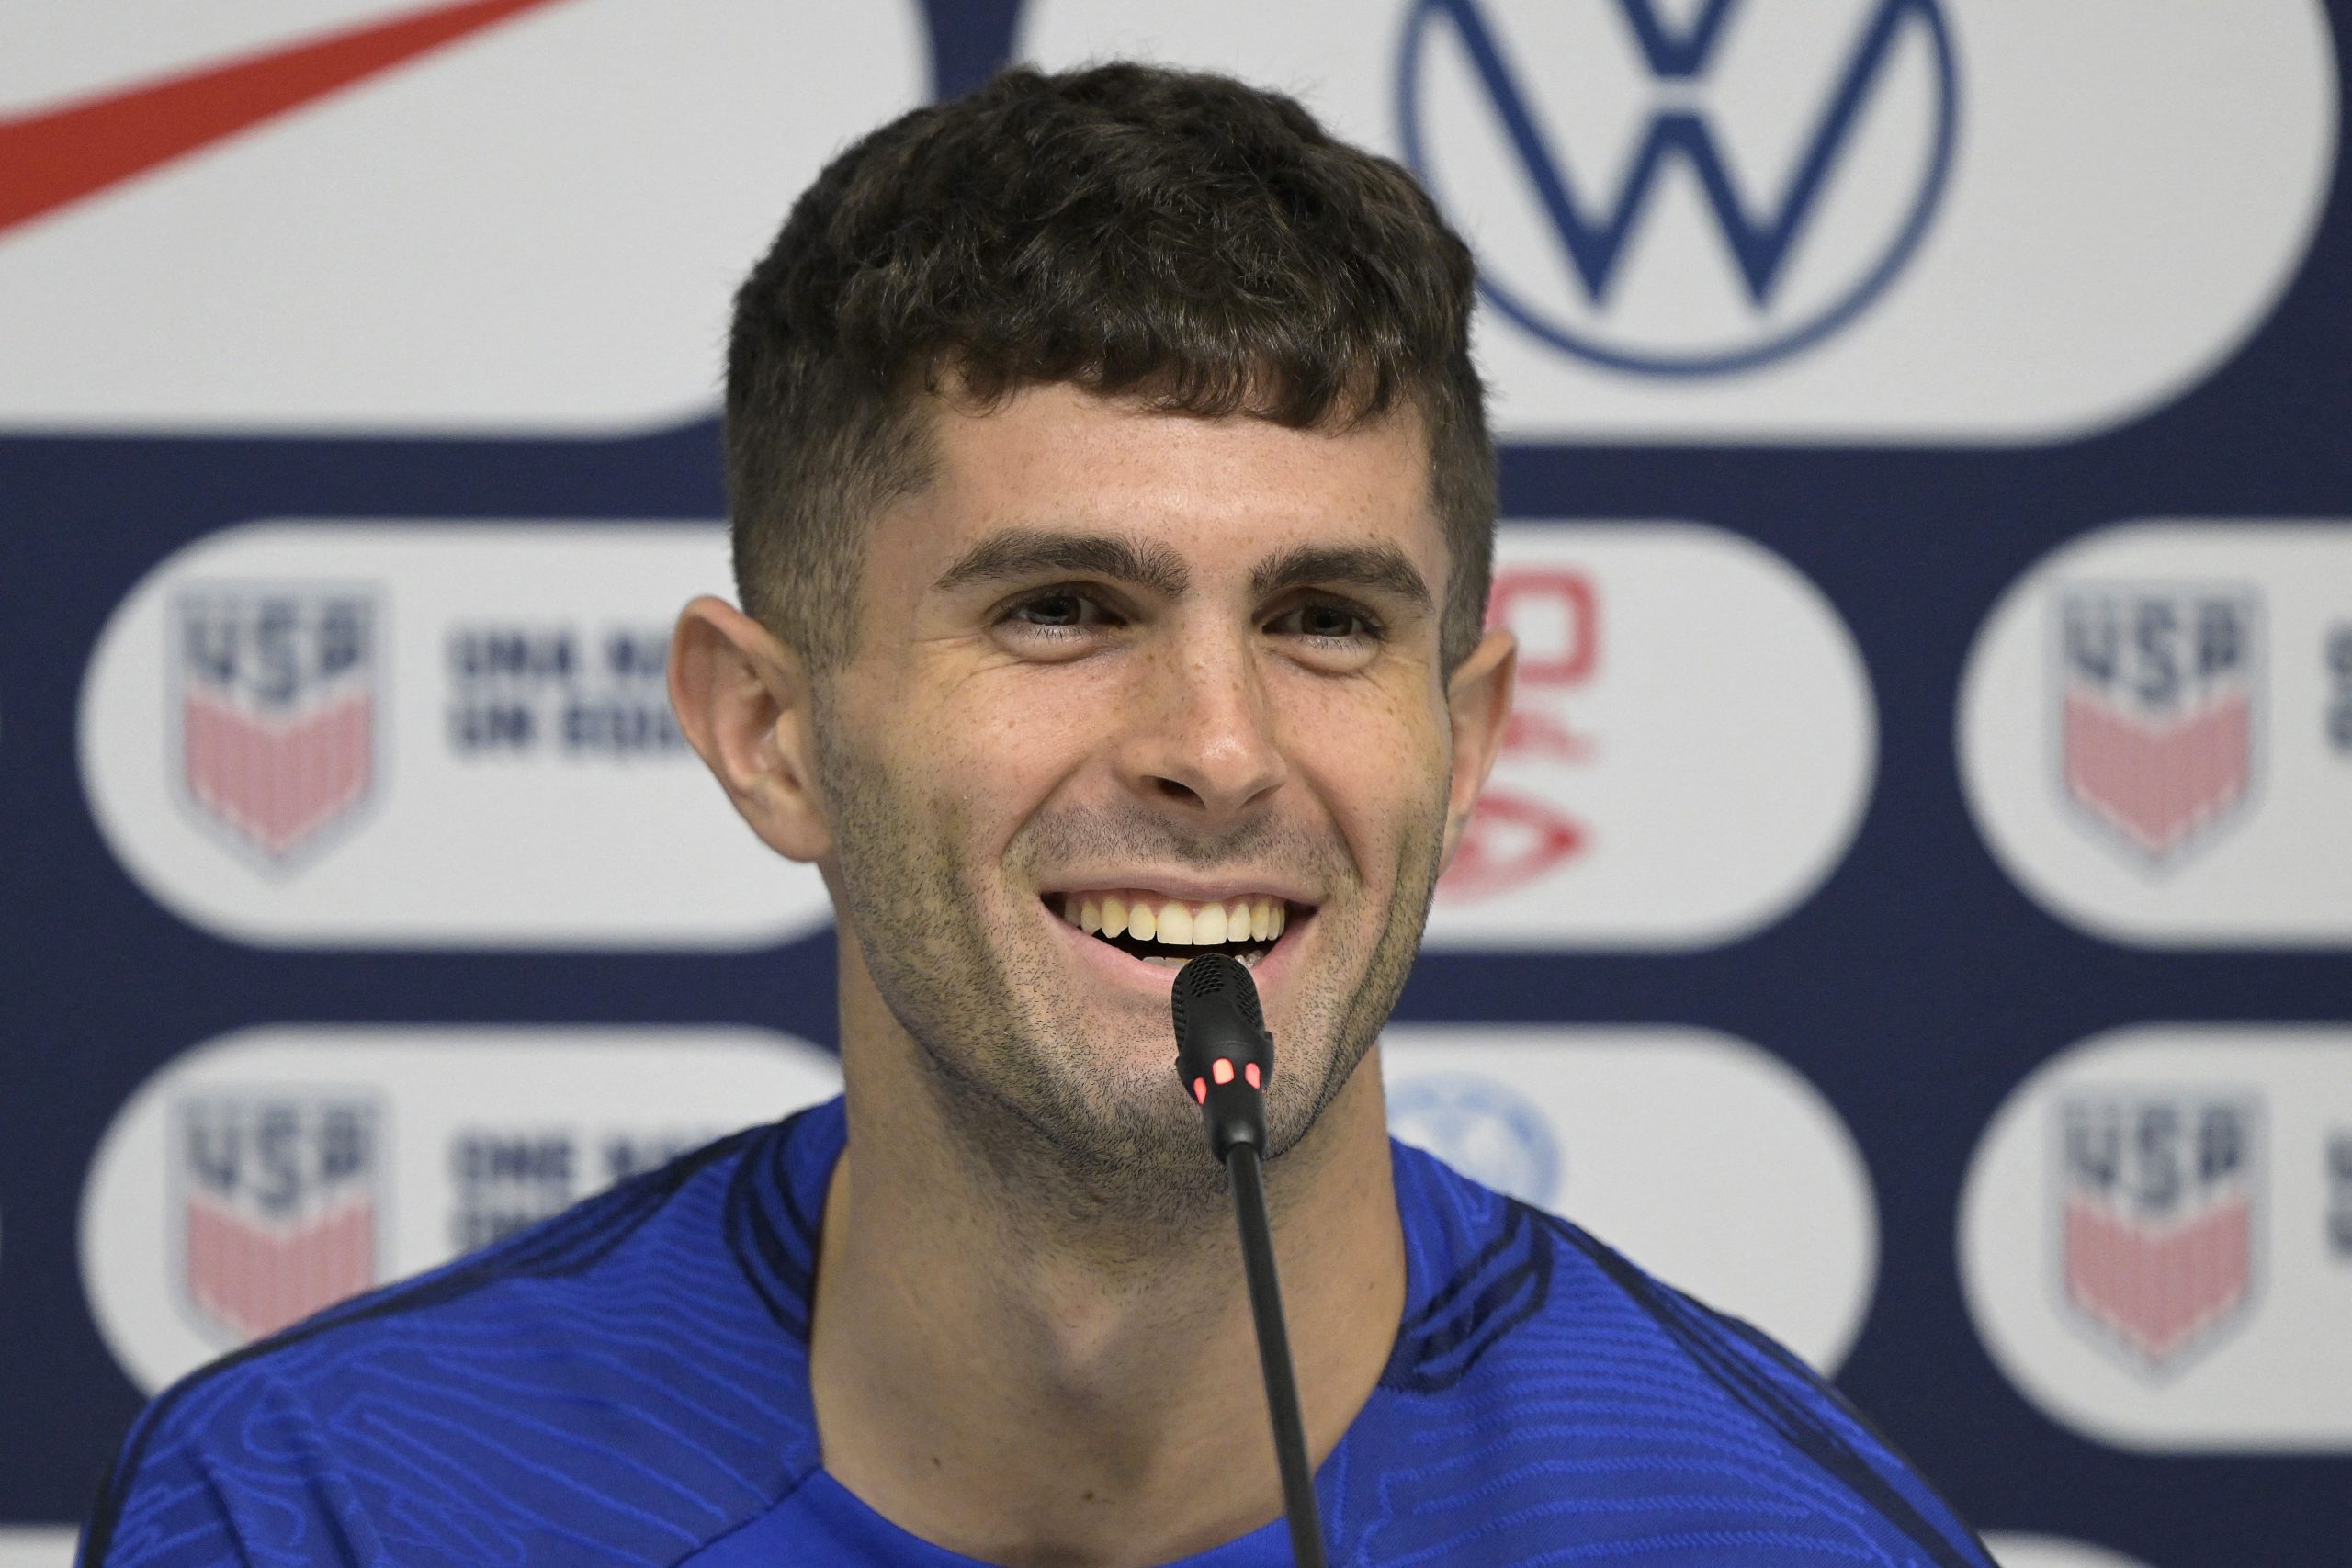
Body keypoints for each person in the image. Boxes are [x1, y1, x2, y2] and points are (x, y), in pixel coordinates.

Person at [83, 63, 1992, 1568]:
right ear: (767, 731)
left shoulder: (1773, 1536)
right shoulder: (324, 1512)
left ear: (1466, 733)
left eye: (1325, 621)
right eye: (1062, 609)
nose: (1218, 750)